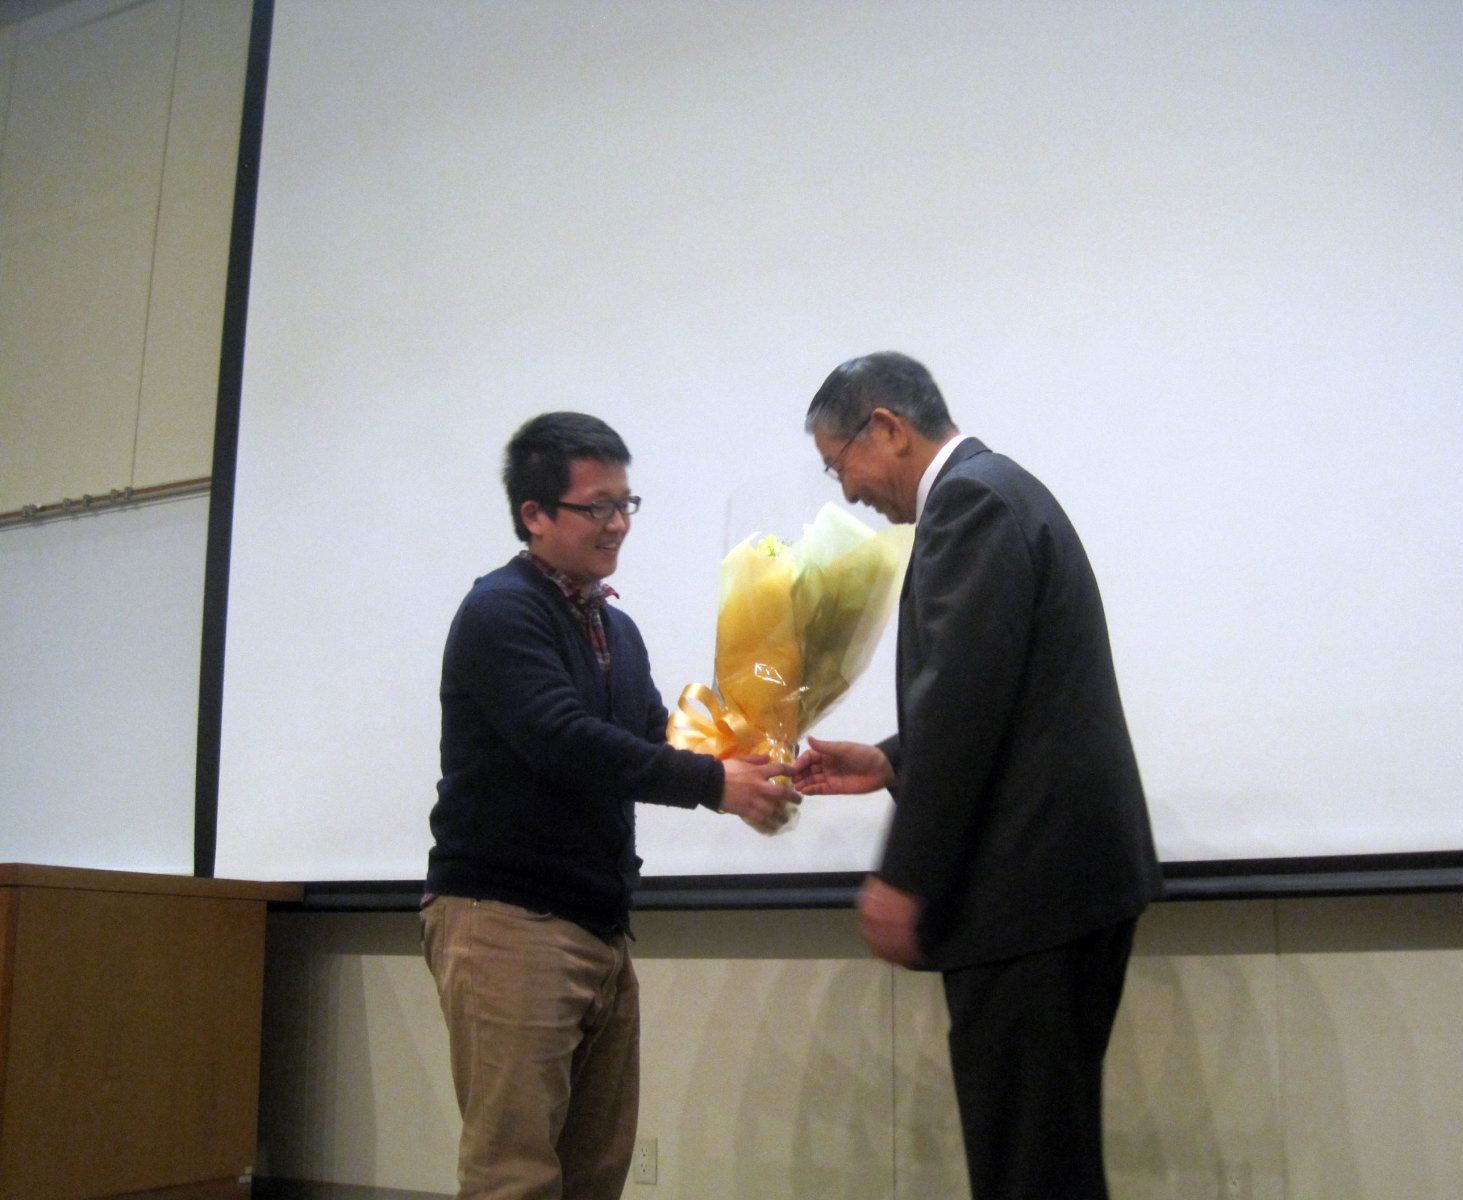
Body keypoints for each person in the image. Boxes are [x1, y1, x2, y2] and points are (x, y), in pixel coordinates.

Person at [792, 352, 1163, 1200]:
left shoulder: (971, 503)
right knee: (1049, 1162)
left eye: (837, 464)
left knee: (1028, 1170)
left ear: (887, 429)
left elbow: (962, 701)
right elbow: (998, 690)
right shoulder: (997, 493)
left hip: (1028, 896)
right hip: (1057, 893)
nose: (846, 492)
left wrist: (902, 878)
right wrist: (891, 759)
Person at [422, 412, 797, 1200]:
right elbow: (563, 740)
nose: (619, 522)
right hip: (508, 923)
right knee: (513, 1175)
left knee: (596, 1172)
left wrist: (755, 755)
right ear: (534, 514)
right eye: (598, 506)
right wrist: (715, 787)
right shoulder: (500, 610)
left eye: (626, 503)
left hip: (598, 925)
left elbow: (651, 734)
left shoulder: (615, 626)